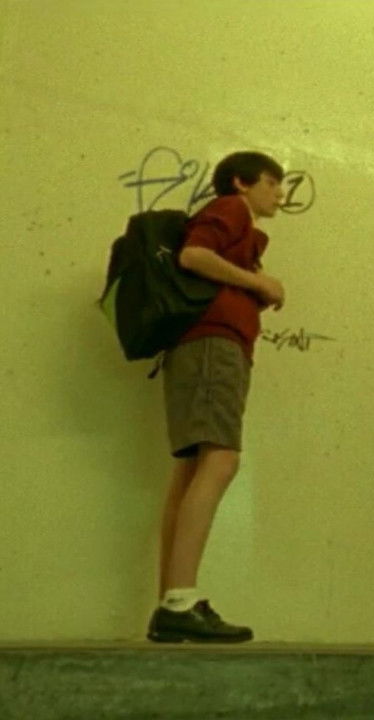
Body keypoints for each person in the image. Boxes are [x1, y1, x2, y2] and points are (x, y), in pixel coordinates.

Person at [146, 151, 286, 643]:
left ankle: (172, 601)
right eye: (271, 182)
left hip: (199, 347)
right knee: (221, 459)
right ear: (242, 183)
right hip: (213, 347)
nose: (279, 194)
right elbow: (194, 256)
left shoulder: (241, 225)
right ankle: (179, 602)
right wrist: (258, 282)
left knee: (191, 470)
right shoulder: (230, 208)